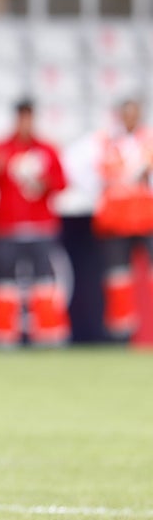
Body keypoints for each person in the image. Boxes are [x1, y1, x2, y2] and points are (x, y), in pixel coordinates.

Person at [0, 99, 70, 346]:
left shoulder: (47, 149)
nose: (25, 123)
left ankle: (49, 335)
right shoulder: (0, 149)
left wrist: (44, 183)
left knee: (45, 282)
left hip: (40, 225)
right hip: (8, 227)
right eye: (21, 117)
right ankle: (2, 335)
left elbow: (62, 183)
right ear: (16, 119)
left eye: (29, 117)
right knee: (5, 283)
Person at [93, 98, 153, 340]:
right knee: (118, 276)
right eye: (126, 113)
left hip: (147, 217)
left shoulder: (148, 140)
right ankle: (120, 332)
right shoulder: (106, 141)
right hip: (117, 220)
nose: (130, 118)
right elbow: (94, 173)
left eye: (134, 113)